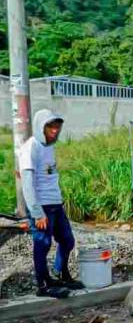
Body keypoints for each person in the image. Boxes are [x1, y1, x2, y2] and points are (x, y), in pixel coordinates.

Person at [17, 109, 84, 298]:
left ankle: (60, 274)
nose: (55, 130)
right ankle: (43, 285)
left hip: (55, 203)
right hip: (42, 206)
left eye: (57, 127)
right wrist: (37, 213)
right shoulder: (32, 147)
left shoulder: (49, 146)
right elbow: (27, 183)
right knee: (42, 243)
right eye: (50, 127)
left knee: (67, 240)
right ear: (41, 127)